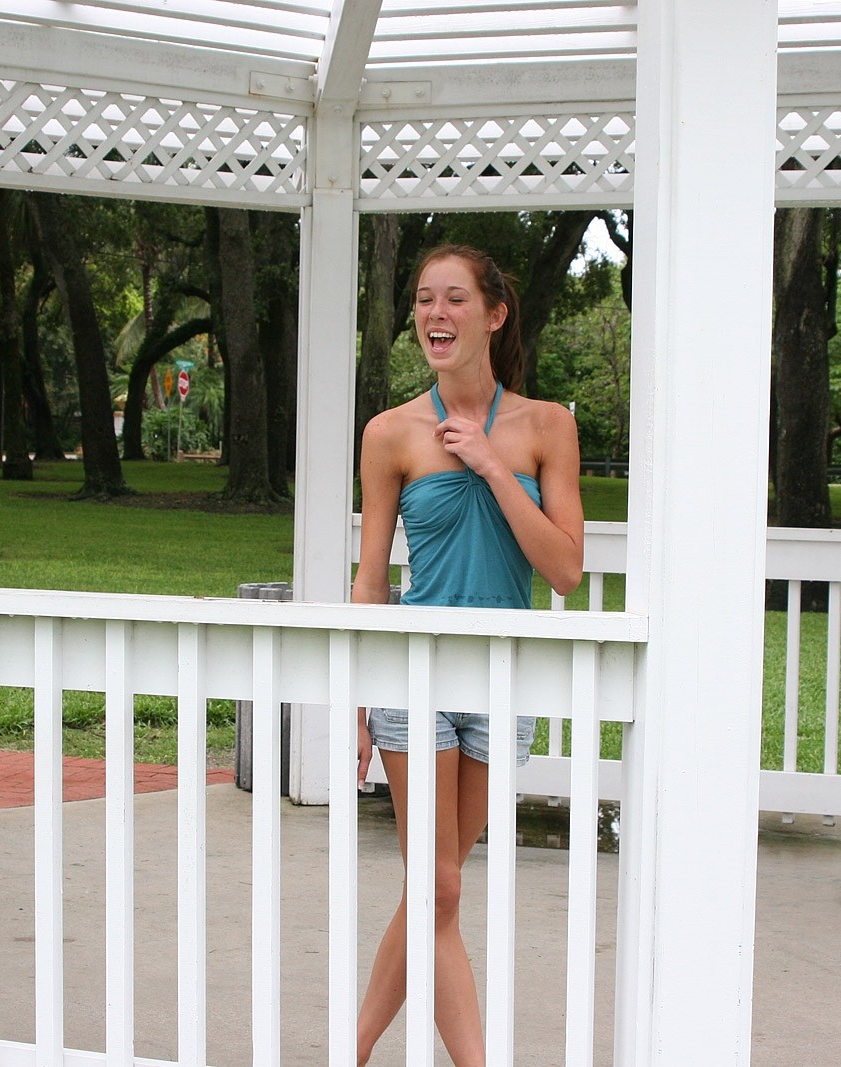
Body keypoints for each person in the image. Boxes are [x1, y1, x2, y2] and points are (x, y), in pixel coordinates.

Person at [351, 244, 585, 1066]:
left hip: (500, 678)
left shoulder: (546, 426)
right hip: (413, 673)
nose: (434, 314)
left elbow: (563, 569)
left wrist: (490, 466)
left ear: (494, 313)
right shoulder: (389, 434)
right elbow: (371, 578)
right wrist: (356, 696)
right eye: (422, 300)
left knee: (433, 892)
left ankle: (350, 1051)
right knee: (443, 885)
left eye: (453, 299)